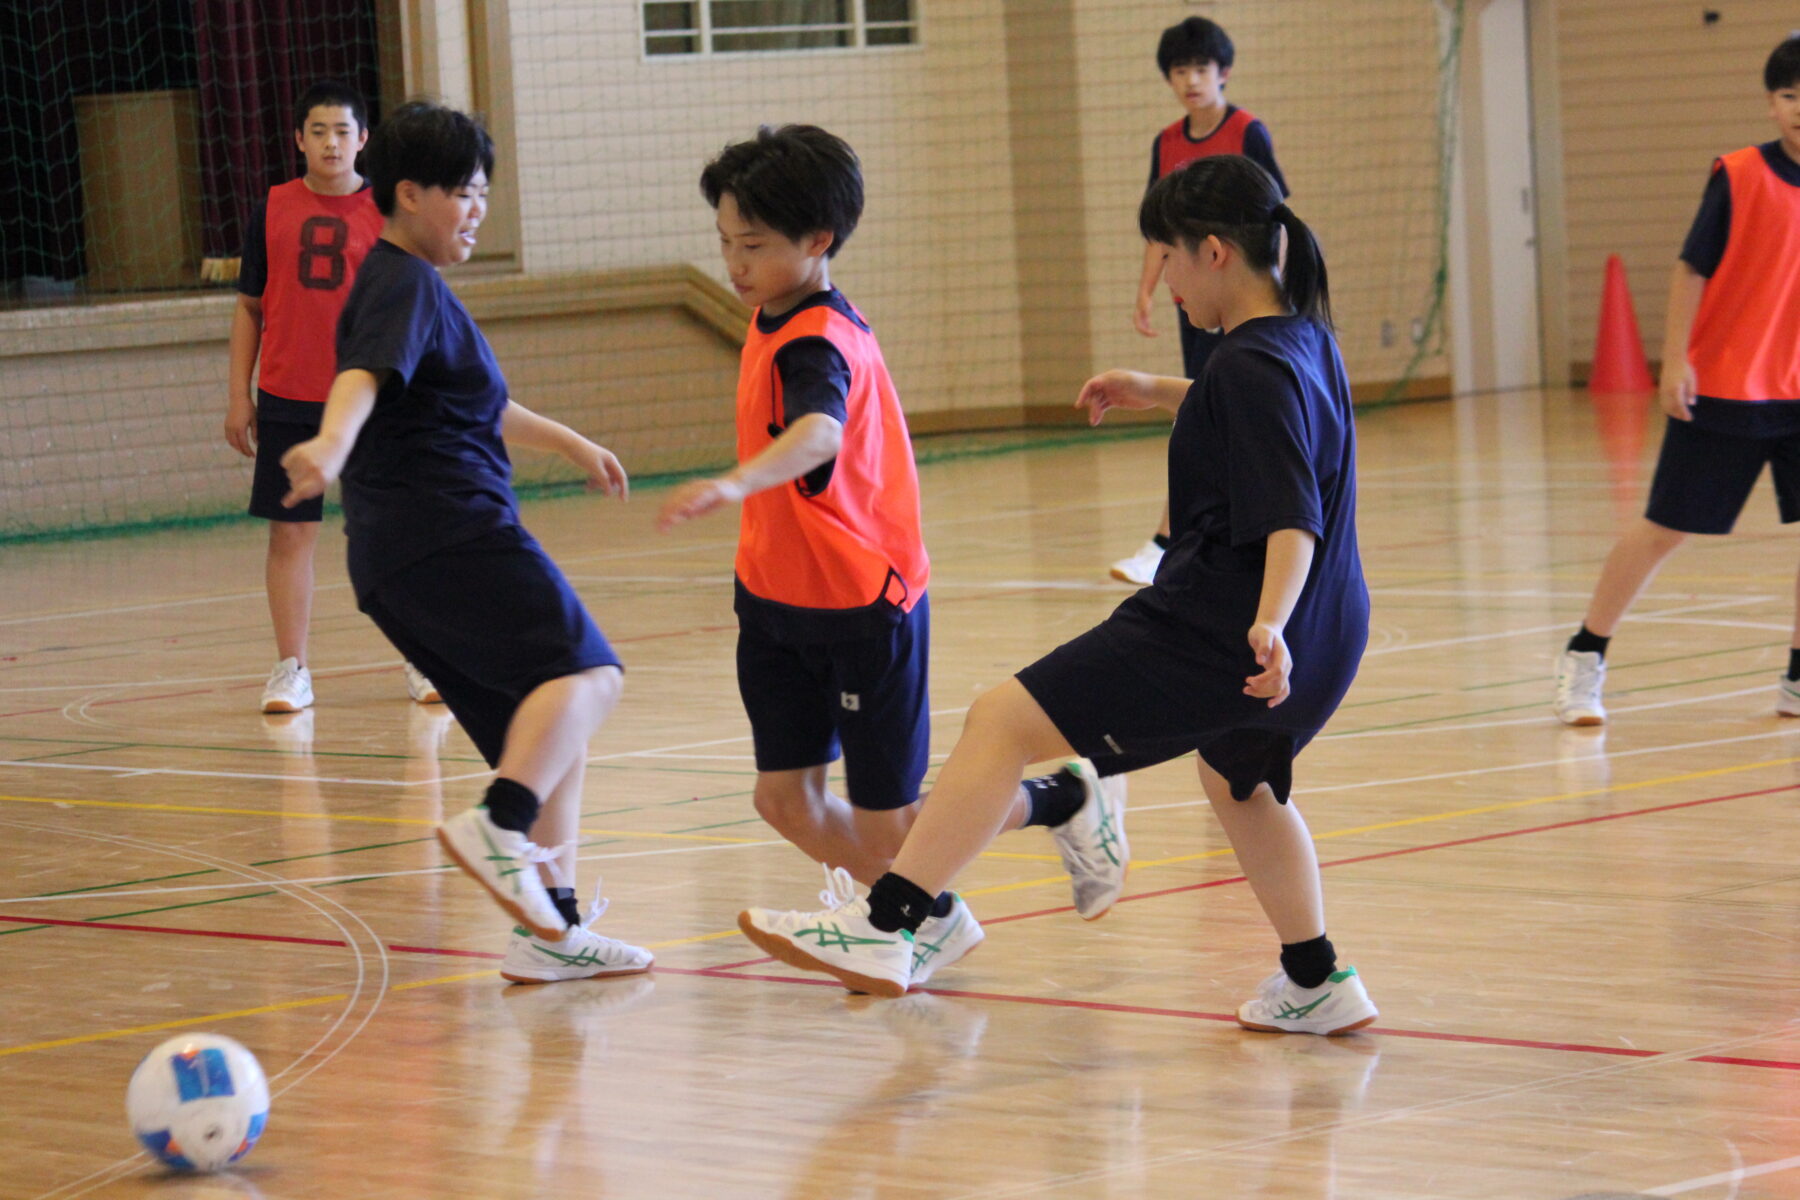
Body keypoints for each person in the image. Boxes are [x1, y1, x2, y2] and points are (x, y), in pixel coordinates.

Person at [738, 155, 1378, 1037]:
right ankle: (1317, 978)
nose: (1166, 278)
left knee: (1000, 720)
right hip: (1332, 624)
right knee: (1240, 786)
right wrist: (1156, 388)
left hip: (1229, 625)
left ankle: (884, 926)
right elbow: (1266, 415)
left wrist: (1267, 622)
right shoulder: (1302, 340)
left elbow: (1291, 517)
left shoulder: (1252, 367)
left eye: (1170, 258)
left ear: (1218, 254)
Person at [657, 125, 1126, 989]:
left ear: (818, 241)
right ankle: (931, 918)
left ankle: (1067, 799)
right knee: (782, 800)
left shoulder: (817, 340)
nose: (734, 262)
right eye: (725, 242)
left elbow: (818, 430)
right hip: (772, 601)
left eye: (753, 245)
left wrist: (734, 484)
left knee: (889, 827)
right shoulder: (771, 314)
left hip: (861, 607)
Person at [280, 101, 651, 984]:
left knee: (552, 725)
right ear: (408, 194)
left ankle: (548, 931)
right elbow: (362, 380)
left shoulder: (419, 291)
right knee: (591, 676)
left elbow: (471, 402)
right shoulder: (400, 283)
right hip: (447, 530)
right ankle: (500, 824)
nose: (478, 210)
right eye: (466, 193)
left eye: (485, 193)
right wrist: (330, 445)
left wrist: (566, 440)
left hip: (404, 552)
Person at [1554, 36, 1800, 727]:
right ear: (1770, 102)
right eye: (1789, 95)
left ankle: (1798, 678)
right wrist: (1676, 359)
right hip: (1728, 382)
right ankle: (1585, 654)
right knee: (1666, 528)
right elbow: (1692, 268)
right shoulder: (1742, 174)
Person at [223, 80, 441, 713]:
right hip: (290, 394)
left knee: (395, 530)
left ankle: (420, 657)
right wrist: (240, 396)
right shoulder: (272, 208)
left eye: (343, 131)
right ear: (298, 138)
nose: (330, 142)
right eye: (317, 130)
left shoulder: (387, 214)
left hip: (373, 396)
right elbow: (248, 308)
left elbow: (413, 309)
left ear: (363, 140)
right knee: (291, 536)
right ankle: (291, 668)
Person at [1112, 16, 1290, 587]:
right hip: (1198, 299)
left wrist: (1275, 298)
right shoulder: (1165, 143)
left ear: (1224, 73)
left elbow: (1275, 221)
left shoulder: (1247, 132)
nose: (1190, 80)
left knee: (1225, 413)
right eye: (1179, 70)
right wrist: (1146, 289)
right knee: (1204, 413)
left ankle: (1172, 539)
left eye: (1201, 69)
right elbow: (1160, 231)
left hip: (1244, 302)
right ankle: (1186, 537)